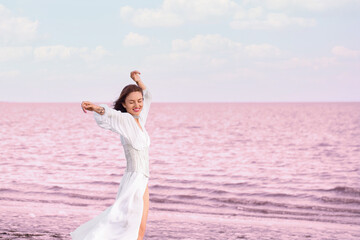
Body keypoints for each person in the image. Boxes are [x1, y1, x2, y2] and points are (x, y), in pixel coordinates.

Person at [70, 70, 152, 240]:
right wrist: (94, 107)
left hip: (143, 180)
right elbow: (109, 114)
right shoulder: (126, 120)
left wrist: (138, 80)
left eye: (139, 101)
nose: (137, 105)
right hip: (133, 180)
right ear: (124, 104)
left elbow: (148, 95)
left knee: (139, 226)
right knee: (125, 224)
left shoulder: (140, 119)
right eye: (132, 102)